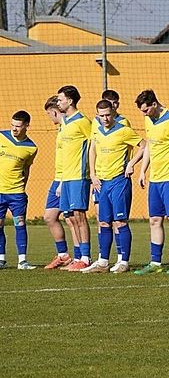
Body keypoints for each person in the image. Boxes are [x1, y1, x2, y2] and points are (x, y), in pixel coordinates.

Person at [133, 89, 169, 275]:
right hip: (155, 180)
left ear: (154, 104)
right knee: (155, 220)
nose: (144, 114)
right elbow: (149, 145)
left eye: (146, 110)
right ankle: (155, 263)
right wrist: (142, 171)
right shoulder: (148, 119)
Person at [84, 99, 142, 273]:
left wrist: (131, 163)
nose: (105, 118)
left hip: (119, 181)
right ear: (97, 116)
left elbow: (144, 146)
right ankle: (103, 262)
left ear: (113, 113)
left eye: (108, 115)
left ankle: (123, 261)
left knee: (120, 221)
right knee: (103, 222)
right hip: (102, 182)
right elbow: (92, 151)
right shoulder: (97, 132)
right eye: (102, 116)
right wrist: (93, 175)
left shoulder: (124, 131)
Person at [56, 85, 94, 272]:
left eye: (60, 99)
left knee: (79, 216)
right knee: (69, 216)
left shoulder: (83, 121)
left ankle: (86, 258)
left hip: (79, 175)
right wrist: (61, 180)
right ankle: (78, 255)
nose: (58, 102)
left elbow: (94, 145)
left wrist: (93, 173)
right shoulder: (65, 122)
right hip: (67, 177)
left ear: (70, 101)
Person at [41, 96, 78, 270]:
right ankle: (63, 255)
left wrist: (64, 180)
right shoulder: (62, 129)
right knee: (49, 217)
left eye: (49, 114)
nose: (50, 118)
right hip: (58, 178)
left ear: (54, 111)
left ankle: (80, 256)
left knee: (71, 219)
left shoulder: (72, 126)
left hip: (68, 178)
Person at [0, 111, 38, 270]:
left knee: (20, 223)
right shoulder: (1, 136)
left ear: (26, 126)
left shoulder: (31, 148)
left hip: (17, 193)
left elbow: (26, 169)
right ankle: (1, 259)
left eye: (18, 126)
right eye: (12, 125)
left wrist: (23, 186)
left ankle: (22, 261)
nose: (14, 129)